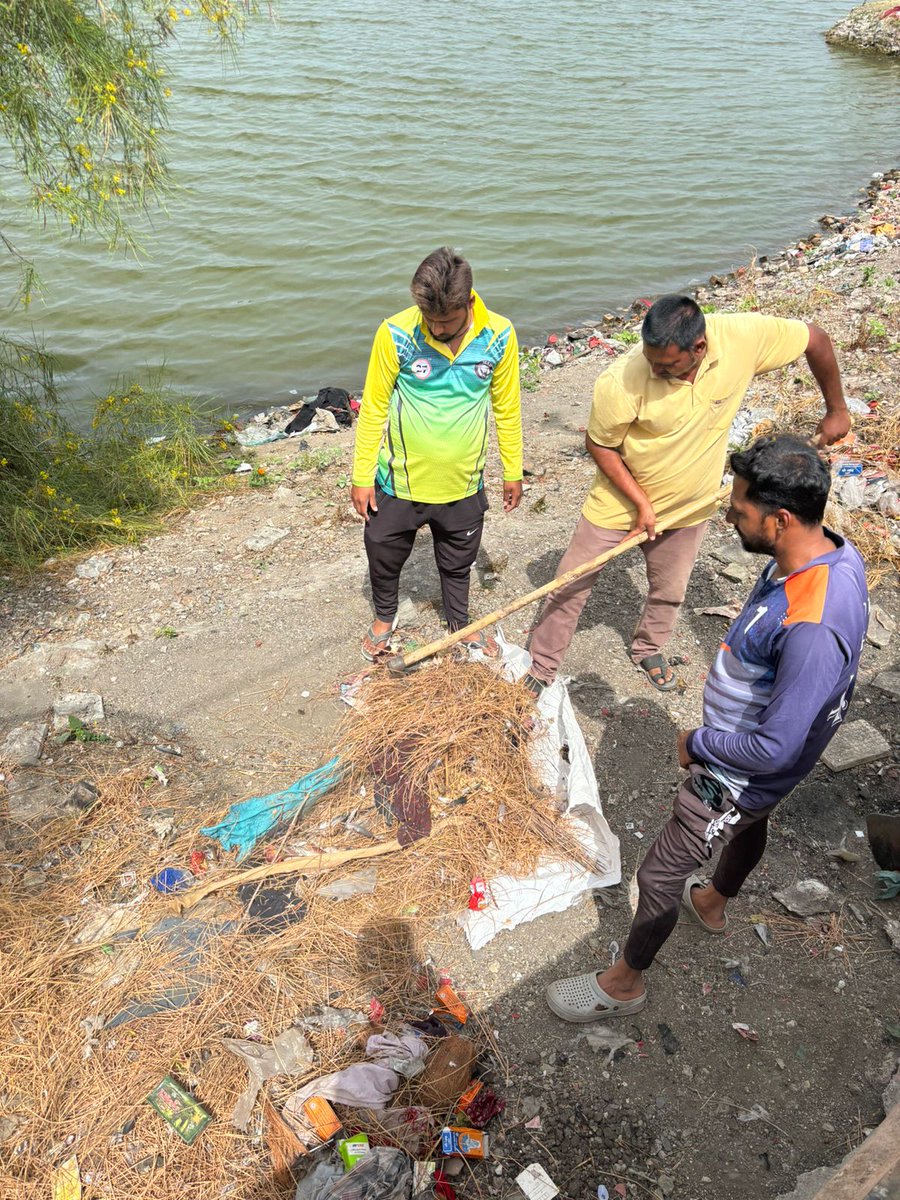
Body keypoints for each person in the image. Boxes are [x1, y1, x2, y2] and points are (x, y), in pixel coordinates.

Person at [545, 434, 869, 1021]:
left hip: (736, 773)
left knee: (659, 872)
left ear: (780, 519)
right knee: (749, 827)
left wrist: (697, 743)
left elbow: (773, 747)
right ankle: (715, 901)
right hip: (761, 773)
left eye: (740, 508)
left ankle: (623, 985)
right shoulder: (831, 556)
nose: (728, 513)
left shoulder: (813, 624)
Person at [524, 295, 851, 694]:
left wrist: (836, 408)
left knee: (670, 588)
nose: (655, 369)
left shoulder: (741, 338)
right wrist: (642, 504)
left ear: (699, 347)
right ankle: (540, 668)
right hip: (619, 501)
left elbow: (814, 338)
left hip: (689, 504)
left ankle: (648, 647)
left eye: (667, 364)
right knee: (569, 584)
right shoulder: (619, 380)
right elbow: (600, 446)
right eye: (651, 360)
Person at [350, 247, 523, 661]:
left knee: (457, 560)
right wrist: (360, 476)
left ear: (469, 302)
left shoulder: (499, 335)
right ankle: (384, 618)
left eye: (445, 321)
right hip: (399, 479)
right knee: (383, 551)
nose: (436, 329)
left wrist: (512, 470)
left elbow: (507, 407)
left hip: (464, 481)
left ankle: (459, 624)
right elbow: (374, 406)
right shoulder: (395, 334)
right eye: (429, 320)